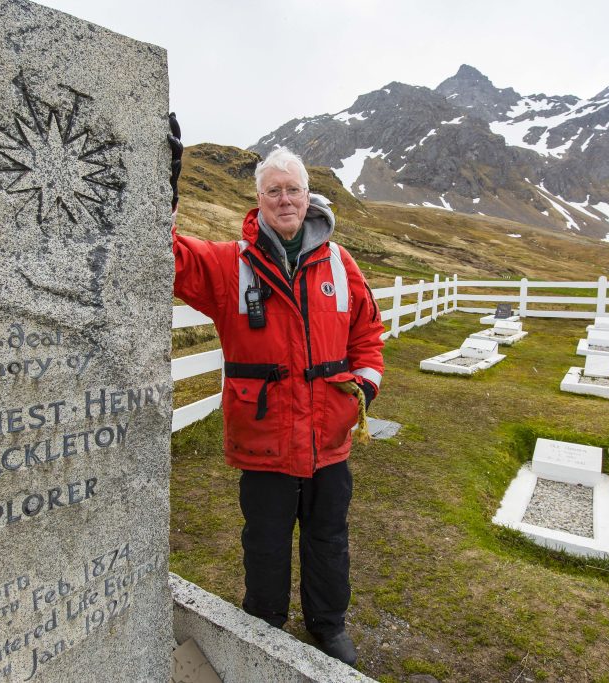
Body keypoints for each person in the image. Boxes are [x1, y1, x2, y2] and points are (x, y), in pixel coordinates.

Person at [167, 114, 384, 666]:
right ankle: (263, 626)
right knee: (264, 541)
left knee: (328, 538)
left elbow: (367, 331)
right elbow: (167, 258)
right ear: (258, 199)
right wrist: (160, 187)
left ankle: (328, 625)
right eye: (273, 191)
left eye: (293, 189)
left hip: (328, 437)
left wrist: (364, 384)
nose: (284, 199)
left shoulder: (340, 261)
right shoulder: (229, 264)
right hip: (264, 440)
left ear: (308, 196)